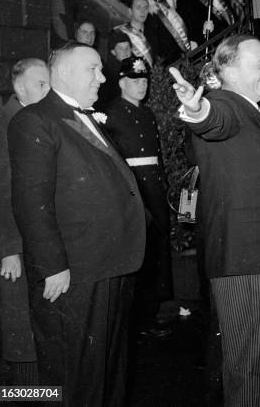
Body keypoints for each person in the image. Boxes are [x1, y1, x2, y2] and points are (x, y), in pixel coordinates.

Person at [169, 35, 260, 406]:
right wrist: (196, 109)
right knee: (256, 375)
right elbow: (211, 121)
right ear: (229, 69)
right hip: (248, 262)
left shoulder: (250, 111)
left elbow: (240, 179)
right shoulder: (224, 104)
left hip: (254, 258)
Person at [7, 41, 146, 405]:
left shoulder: (84, 115)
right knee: (75, 379)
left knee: (108, 372)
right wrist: (52, 266)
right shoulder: (35, 119)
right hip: (76, 271)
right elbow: (30, 201)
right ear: (65, 73)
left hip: (109, 264)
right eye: (94, 69)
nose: (103, 78)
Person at [104, 57, 173, 338]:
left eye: (144, 80)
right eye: (135, 80)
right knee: (139, 251)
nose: (141, 85)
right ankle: (137, 319)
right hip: (133, 191)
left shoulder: (147, 114)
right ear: (122, 83)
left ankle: (151, 313)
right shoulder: (111, 113)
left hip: (153, 188)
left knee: (156, 249)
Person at [0, 58, 49, 386]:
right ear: (19, 87)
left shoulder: (38, 120)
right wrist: (9, 249)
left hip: (41, 240)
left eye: (49, 83)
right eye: (40, 84)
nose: (47, 90)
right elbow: (0, 193)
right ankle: (25, 394)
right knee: (20, 327)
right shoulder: (4, 124)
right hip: (17, 245)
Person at [116, 0, 156, 68]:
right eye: (138, 7)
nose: (143, 11)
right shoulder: (119, 33)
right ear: (130, 11)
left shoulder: (154, 32)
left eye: (145, 7)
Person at [96, 29, 133, 108]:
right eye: (120, 48)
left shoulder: (136, 70)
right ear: (113, 51)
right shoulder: (107, 74)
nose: (125, 51)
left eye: (127, 47)